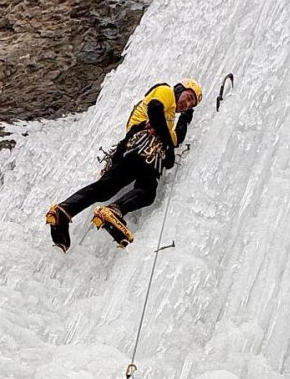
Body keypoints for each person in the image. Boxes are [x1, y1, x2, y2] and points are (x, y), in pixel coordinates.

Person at [45, 80, 203, 251]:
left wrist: (185, 119)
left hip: (131, 148)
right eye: (188, 97)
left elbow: (175, 138)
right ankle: (115, 211)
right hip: (146, 147)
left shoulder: (169, 117)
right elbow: (155, 110)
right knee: (147, 190)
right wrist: (168, 148)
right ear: (180, 89)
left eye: (190, 104)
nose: (186, 104)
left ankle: (64, 210)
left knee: (105, 188)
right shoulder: (165, 92)